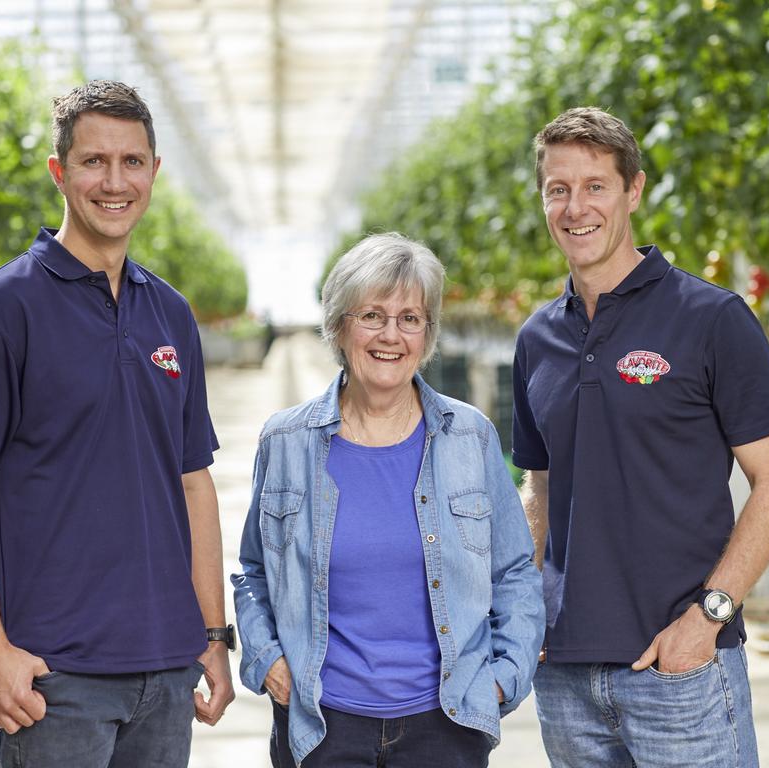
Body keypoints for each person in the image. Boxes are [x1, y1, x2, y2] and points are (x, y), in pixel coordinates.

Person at [0, 80, 235, 767]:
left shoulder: (173, 314)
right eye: (94, 161)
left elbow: (193, 482)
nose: (115, 182)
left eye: (132, 162)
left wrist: (213, 633)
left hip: (166, 668)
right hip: (53, 678)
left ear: (154, 172)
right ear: (59, 172)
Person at [511, 106, 769, 767]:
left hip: (682, 670)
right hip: (564, 675)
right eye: (558, 188)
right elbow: (541, 491)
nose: (574, 207)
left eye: (595, 186)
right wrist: (522, 610)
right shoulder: (536, 339)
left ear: (634, 189)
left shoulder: (713, 318)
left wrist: (709, 617)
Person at [232, 233, 545, 767]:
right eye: (372, 315)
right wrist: (266, 659)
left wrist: (502, 677)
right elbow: (255, 571)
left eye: (410, 318)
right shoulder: (286, 441)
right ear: (338, 326)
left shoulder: (469, 437)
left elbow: (514, 570)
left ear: (427, 334)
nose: (391, 335)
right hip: (322, 723)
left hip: (445, 725)